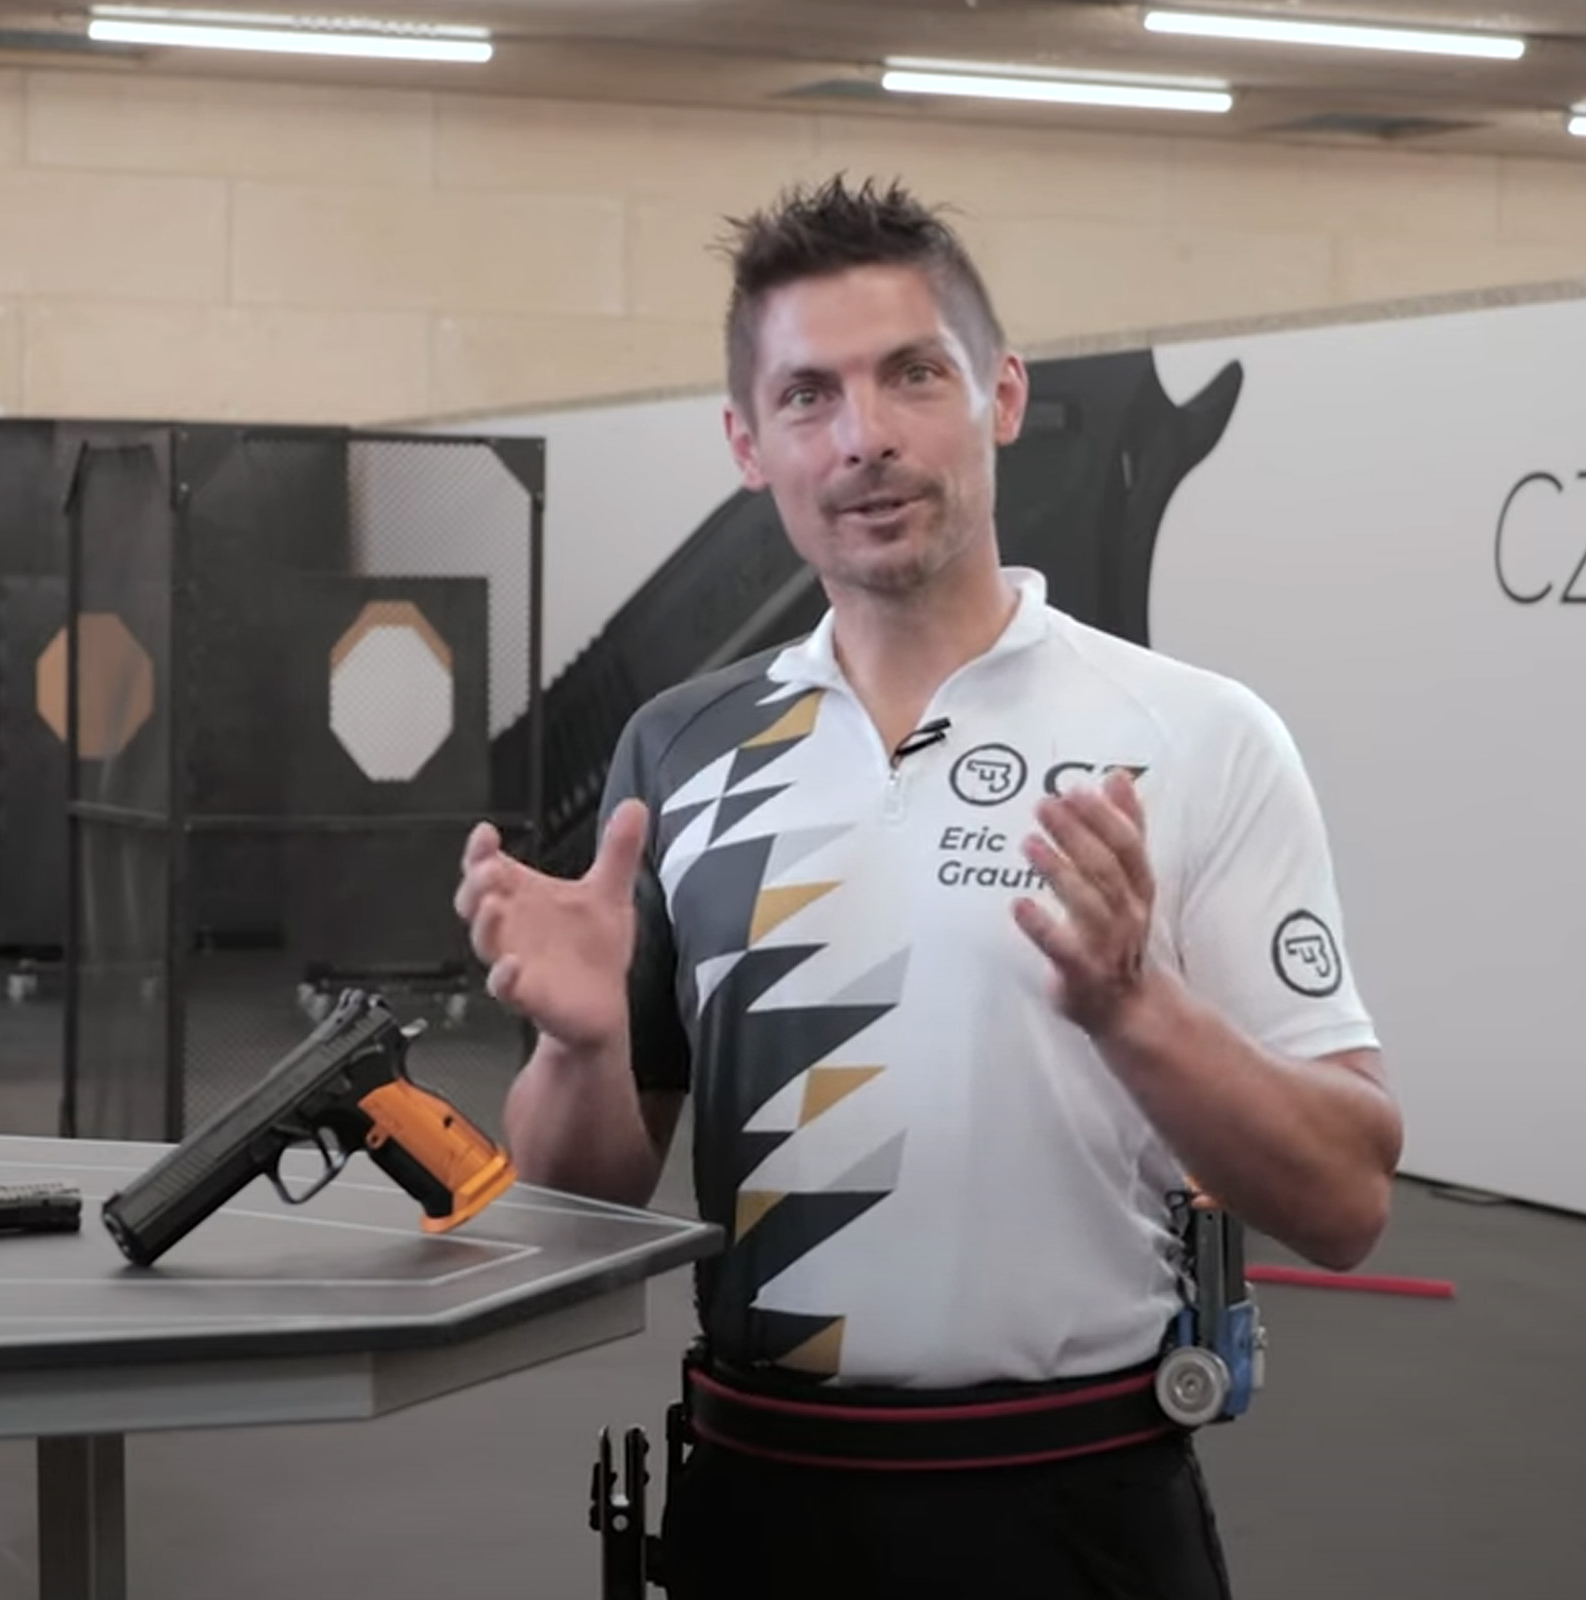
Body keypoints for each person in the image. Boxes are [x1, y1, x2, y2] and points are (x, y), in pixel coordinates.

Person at [454, 175, 1403, 1600]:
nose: (866, 437)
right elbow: (575, 1211)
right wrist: (582, 1049)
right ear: (747, 443)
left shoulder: (1198, 736)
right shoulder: (681, 751)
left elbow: (1346, 1199)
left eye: (913, 374)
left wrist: (1135, 1009)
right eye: (808, 396)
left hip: (1082, 1512)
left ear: (1001, 395)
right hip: (761, 1511)